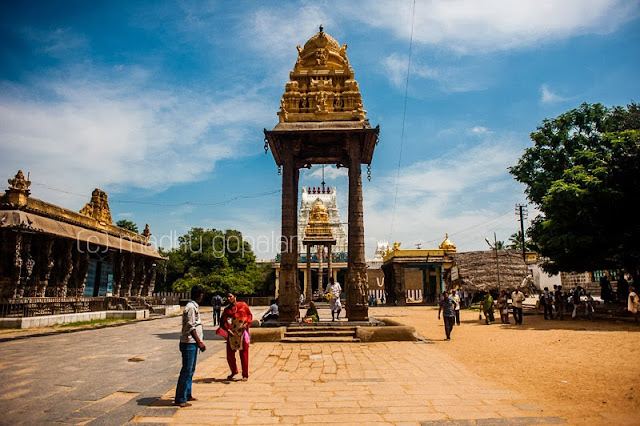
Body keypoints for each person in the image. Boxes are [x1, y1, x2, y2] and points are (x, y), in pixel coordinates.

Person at [174, 285, 206, 407]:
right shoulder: (191, 308)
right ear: (199, 295)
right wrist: (199, 342)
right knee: (186, 370)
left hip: (192, 343)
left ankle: (187, 393)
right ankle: (180, 398)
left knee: (190, 370)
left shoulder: (193, 307)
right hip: (189, 342)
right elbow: (191, 326)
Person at [221, 292, 253, 381]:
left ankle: (245, 374)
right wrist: (228, 329)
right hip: (232, 333)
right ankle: (234, 371)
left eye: (230, 296)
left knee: (244, 353)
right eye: (227, 297)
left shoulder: (243, 306)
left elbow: (249, 315)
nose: (229, 298)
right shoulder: (227, 310)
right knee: (230, 354)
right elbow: (223, 321)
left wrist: (246, 324)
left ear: (235, 297)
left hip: (242, 332)